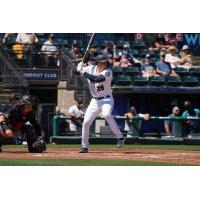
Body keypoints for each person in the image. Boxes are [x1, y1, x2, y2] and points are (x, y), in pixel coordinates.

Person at [76, 54, 125, 153]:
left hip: (107, 100)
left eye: (106, 62)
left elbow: (97, 79)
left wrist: (83, 72)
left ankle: (120, 137)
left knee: (106, 114)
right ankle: (84, 146)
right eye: (103, 62)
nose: (106, 63)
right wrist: (82, 62)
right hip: (94, 100)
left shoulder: (108, 72)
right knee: (86, 122)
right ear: (98, 63)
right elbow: (77, 69)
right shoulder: (91, 68)